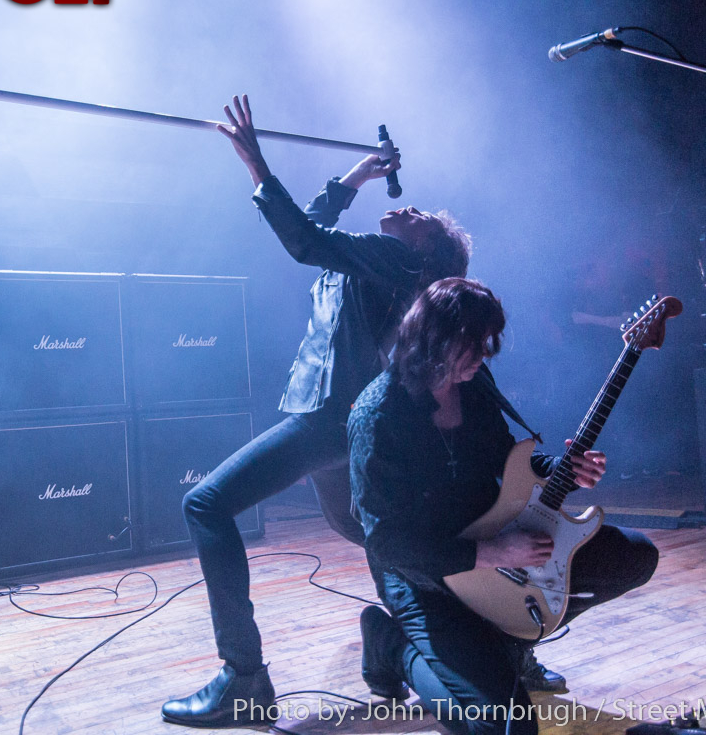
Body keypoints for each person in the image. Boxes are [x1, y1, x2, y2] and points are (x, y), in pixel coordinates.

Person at [161, 95, 472, 728]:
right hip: (335, 415)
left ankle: (243, 679)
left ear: (428, 250)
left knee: (206, 505)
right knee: (374, 534)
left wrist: (257, 164)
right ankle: (446, 635)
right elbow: (310, 229)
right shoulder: (373, 259)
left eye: (421, 217)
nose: (407, 208)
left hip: (330, 416)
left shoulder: (398, 261)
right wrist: (355, 176)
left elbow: (303, 241)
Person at [348, 277, 659, 735]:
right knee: (502, 728)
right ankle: (392, 645)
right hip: (424, 577)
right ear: (435, 339)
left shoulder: (473, 385)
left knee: (635, 555)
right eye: (473, 343)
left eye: (487, 342)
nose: (484, 355)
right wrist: (494, 553)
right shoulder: (377, 415)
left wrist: (563, 469)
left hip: (496, 541)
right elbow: (388, 543)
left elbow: (507, 458)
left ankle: (508, 636)